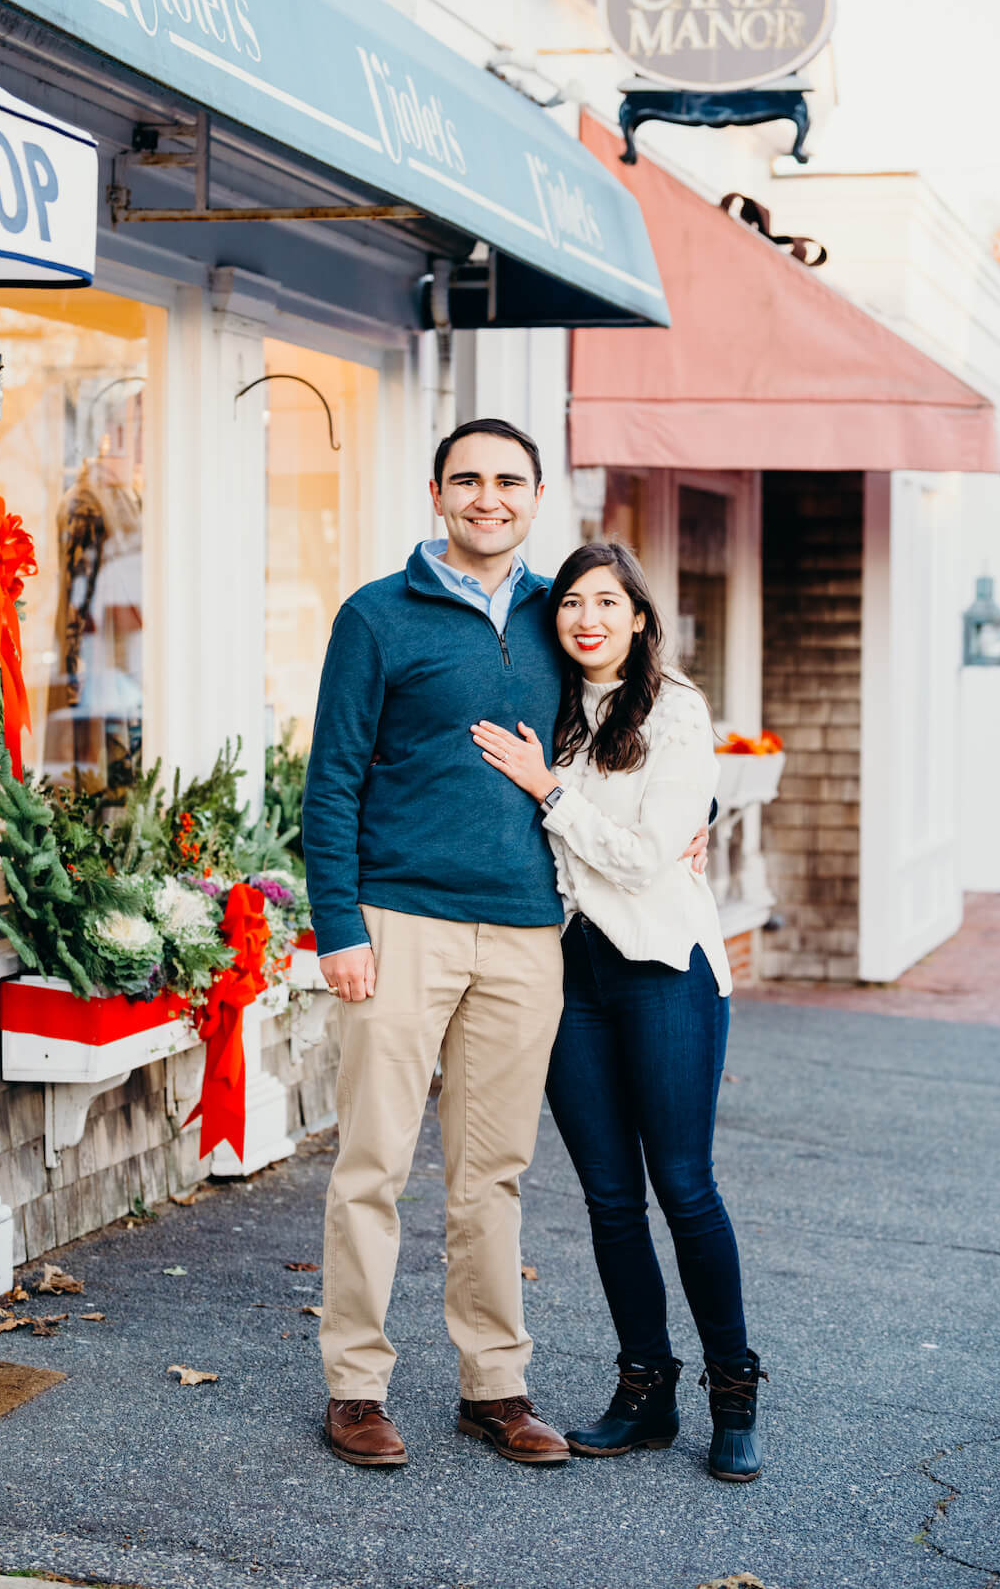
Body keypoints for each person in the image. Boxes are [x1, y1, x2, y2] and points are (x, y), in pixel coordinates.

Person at [303, 417, 573, 1468]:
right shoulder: (378, 615)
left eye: (508, 480)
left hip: (525, 929)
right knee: (372, 1162)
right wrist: (340, 925)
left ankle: (493, 1384)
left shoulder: (564, 616)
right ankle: (357, 1386)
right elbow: (331, 777)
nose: (487, 496)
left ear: (536, 496)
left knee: (491, 1172)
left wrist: (689, 813)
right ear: (436, 492)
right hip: (400, 920)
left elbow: (636, 721)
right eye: (469, 479)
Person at [469, 538, 766, 1483]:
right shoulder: (553, 708)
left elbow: (645, 857)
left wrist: (548, 789)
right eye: (570, 605)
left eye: (607, 603)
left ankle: (734, 1390)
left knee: (683, 1185)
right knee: (607, 1197)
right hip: (573, 974)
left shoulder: (675, 710)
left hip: (661, 967)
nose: (586, 619)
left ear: (639, 617)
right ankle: (646, 1389)